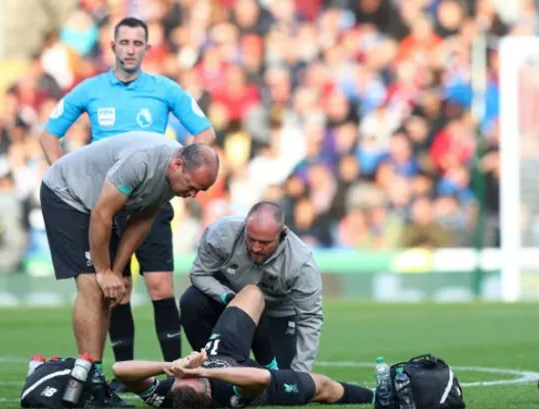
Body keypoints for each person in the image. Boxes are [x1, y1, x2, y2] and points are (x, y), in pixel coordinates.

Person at [39, 16, 216, 393]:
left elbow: (206, 134)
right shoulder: (90, 90)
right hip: (99, 198)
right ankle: (108, 377)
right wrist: (73, 180)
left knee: (154, 286)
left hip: (148, 190)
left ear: (147, 49)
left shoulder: (166, 93)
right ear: (114, 46)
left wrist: (114, 269)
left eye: (139, 43)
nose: (131, 49)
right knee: (97, 286)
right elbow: (50, 136)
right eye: (125, 42)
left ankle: (168, 372)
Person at [40, 131, 219, 408]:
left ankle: (94, 382)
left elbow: (142, 220)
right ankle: (90, 383)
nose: (193, 195)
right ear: (178, 165)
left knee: (107, 288)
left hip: (98, 207)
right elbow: (101, 213)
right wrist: (103, 271)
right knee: (91, 284)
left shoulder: (173, 177)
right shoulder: (142, 163)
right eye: (192, 186)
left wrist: (118, 270)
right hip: (67, 195)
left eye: (200, 191)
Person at [112, 285, 374, 408]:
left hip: (223, 352)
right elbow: (260, 378)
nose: (187, 374)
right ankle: (379, 397)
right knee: (324, 387)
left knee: (252, 293)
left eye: (183, 378)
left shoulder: (167, 396)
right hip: (251, 380)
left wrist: (170, 367)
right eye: (192, 378)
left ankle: (268, 351)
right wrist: (203, 371)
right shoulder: (228, 395)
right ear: (208, 392)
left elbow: (119, 369)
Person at [179, 201, 323, 373]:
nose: (256, 248)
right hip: (229, 305)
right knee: (191, 301)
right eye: (251, 239)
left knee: (282, 382)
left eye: (264, 243)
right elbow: (199, 273)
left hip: (276, 314)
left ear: (282, 233)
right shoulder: (221, 233)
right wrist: (229, 298)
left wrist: (301, 375)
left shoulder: (300, 262)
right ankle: (210, 366)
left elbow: (310, 318)